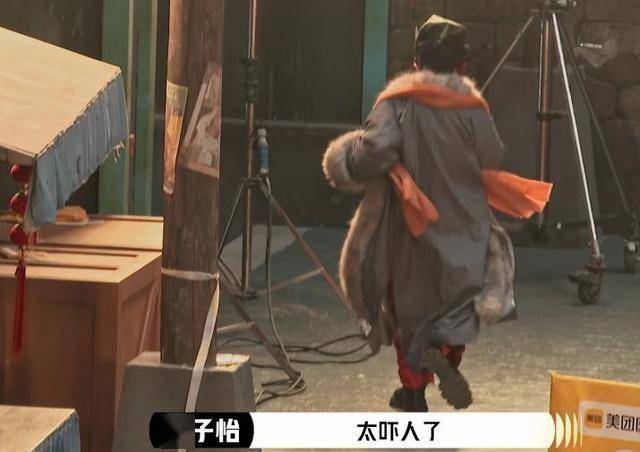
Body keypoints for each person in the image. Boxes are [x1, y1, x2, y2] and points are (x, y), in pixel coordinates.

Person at [322, 15, 551, 412]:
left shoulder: (398, 102)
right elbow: (492, 153)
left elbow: (373, 153)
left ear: (416, 62)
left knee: (408, 307)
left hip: (412, 226)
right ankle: (445, 355)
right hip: (465, 223)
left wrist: (348, 155)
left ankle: (413, 392)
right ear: (461, 65)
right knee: (456, 302)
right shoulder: (471, 106)